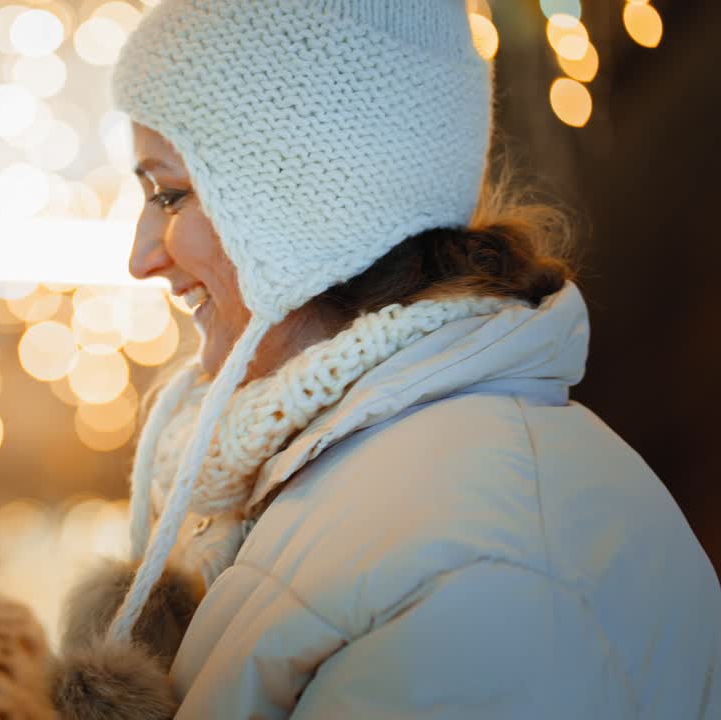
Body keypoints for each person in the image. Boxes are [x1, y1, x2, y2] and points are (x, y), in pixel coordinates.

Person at [50, 1, 721, 719]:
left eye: (170, 193)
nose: (142, 256)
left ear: (301, 208)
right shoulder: (326, 474)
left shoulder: (481, 567)